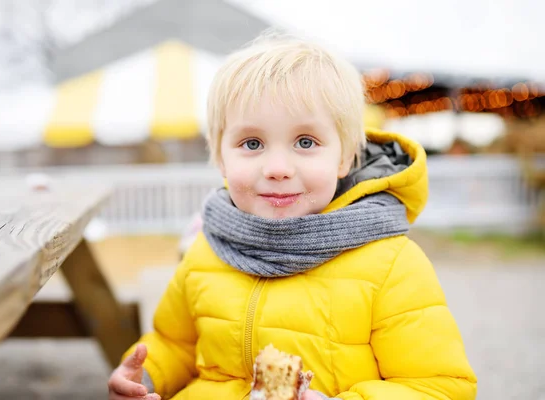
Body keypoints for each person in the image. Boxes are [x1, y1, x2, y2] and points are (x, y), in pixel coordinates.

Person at [108, 32, 477, 400]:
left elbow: (440, 387)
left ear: (344, 157)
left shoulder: (390, 266)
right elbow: (176, 343)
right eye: (252, 144)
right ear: (221, 157)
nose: (278, 168)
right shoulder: (208, 248)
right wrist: (147, 376)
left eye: (305, 142)